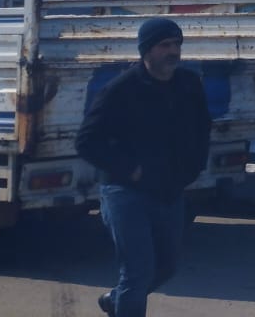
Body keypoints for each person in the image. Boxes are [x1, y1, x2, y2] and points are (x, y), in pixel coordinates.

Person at [76, 18, 211, 317]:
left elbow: (203, 128)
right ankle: (125, 301)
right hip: (125, 192)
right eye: (165, 45)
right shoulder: (121, 90)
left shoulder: (188, 84)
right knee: (137, 272)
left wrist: (193, 168)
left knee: (167, 266)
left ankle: (116, 301)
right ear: (147, 50)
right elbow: (86, 141)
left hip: (168, 191)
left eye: (177, 44)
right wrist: (130, 170)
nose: (173, 51)